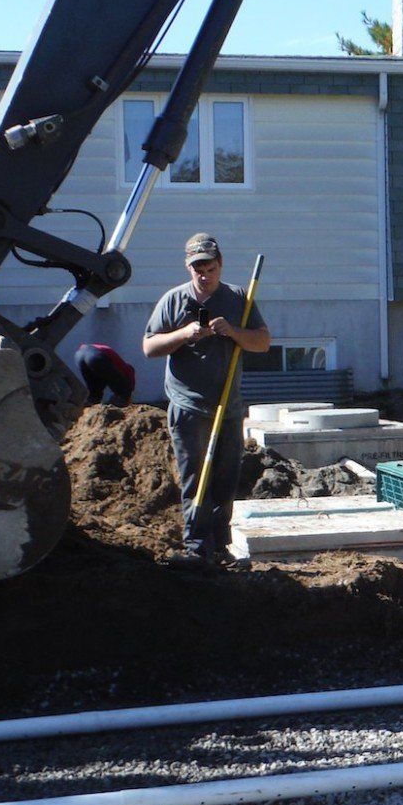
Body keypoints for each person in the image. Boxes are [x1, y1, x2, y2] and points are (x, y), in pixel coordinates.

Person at [142, 233, 271, 566]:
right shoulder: (174, 300)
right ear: (188, 268)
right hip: (188, 407)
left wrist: (233, 332)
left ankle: (220, 546)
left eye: (210, 268)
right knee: (195, 478)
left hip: (228, 407)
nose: (204, 275)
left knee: (226, 479)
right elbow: (149, 347)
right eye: (197, 269)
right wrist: (185, 334)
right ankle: (197, 547)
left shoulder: (238, 299)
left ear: (220, 264)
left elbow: (262, 343)